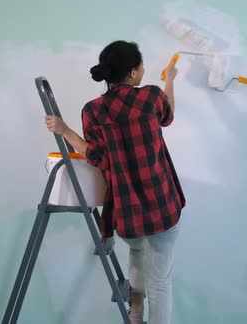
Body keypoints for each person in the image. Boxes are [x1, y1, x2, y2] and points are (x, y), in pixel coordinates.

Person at [46, 40, 185, 324]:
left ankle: (135, 313)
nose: (145, 69)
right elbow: (168, 114)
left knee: (136, 252)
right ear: (133, 73)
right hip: (162, 204)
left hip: (127, 208)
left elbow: (96, 155)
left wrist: (65, 130)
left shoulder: (93, 110)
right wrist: (170, 79)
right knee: (160, 283)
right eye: (142, 65)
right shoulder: (152, 96)